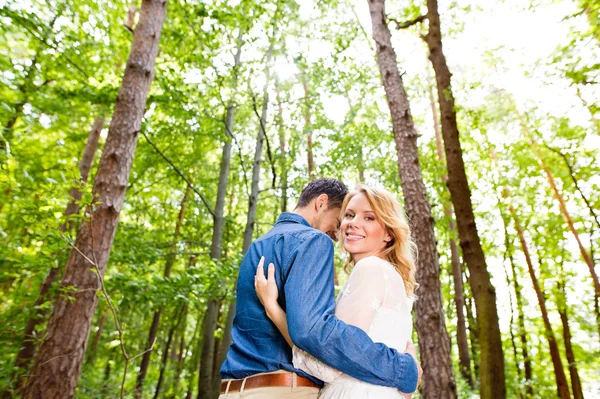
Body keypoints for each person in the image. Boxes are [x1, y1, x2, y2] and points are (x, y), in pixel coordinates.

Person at [219, 179, 420, 399]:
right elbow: (314, 335)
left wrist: (272, 307)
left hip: (235, 388)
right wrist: (404, 370)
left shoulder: (258, 246)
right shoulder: (315, 241)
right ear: (321, 203)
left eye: (369, 217)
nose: (339, 229)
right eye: (346, 216)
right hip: (282, 390)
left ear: (389, 233)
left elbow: (327, 357)